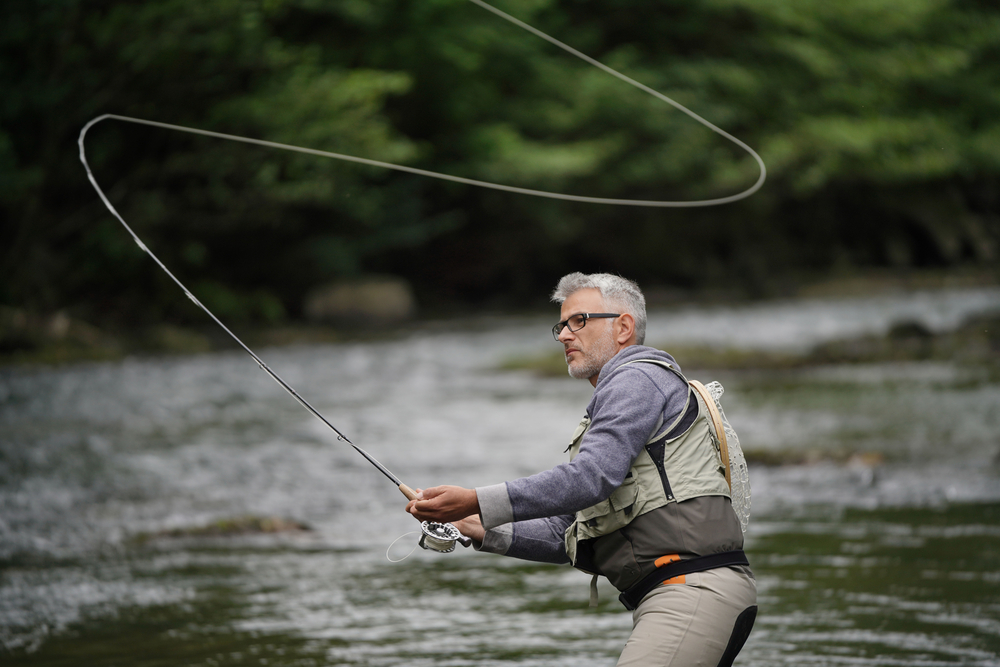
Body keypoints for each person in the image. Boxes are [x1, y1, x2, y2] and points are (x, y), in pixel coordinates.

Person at [406, 272, 757, 667]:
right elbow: (570, 533)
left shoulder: (637, 377)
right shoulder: (624, 394)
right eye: (561, 325)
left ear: (623, 327)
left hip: (693, 591)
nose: (564, 335)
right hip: (681, 594)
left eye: (579, 321)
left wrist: (477, 499)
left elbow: (591, 478)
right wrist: (479, 525)